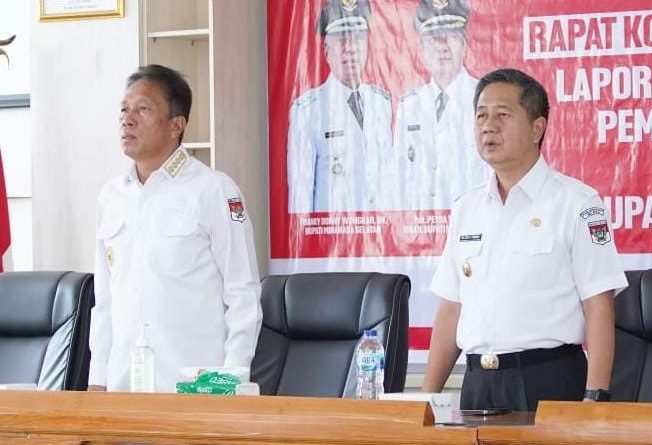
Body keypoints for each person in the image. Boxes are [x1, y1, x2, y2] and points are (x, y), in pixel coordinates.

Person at [423, 68, 627, 410]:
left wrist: (595, 398)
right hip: (477, 385)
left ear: (537, 128)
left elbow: (599, 305)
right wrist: (425, 398)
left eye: (502, 115)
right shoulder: (466, 208)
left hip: (548, 380)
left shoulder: (577, 203)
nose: (488, 126)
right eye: (481, 115)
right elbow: (451, 308)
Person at [88, 64, 262, 392]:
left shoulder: (214, 190)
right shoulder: (111, 196)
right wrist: (97, 379)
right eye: (124, 109)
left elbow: (243, 294)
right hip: (123, 389)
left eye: (143, 109)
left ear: (176, 125)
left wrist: (231, 381)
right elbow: (105, 301)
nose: (127, 119)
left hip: (194, 389)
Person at [287, 0, 394, 213]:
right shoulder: (307, 111)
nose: (350, 48)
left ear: (367, 45)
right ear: (327, 51)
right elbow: (301, 198)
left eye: (358, 38)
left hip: (380, 230)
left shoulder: (382, 102)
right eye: (341, 39)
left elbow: (390, 183)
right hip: (333, 232)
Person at [394, 0, 489, 210]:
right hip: (419, 224)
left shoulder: (485, 99)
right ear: (421, 48)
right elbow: (399, 178)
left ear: (464, 44)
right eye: (432, 38)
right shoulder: (409, 106)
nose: (442, 46)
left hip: (471, 220)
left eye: (451, 36)